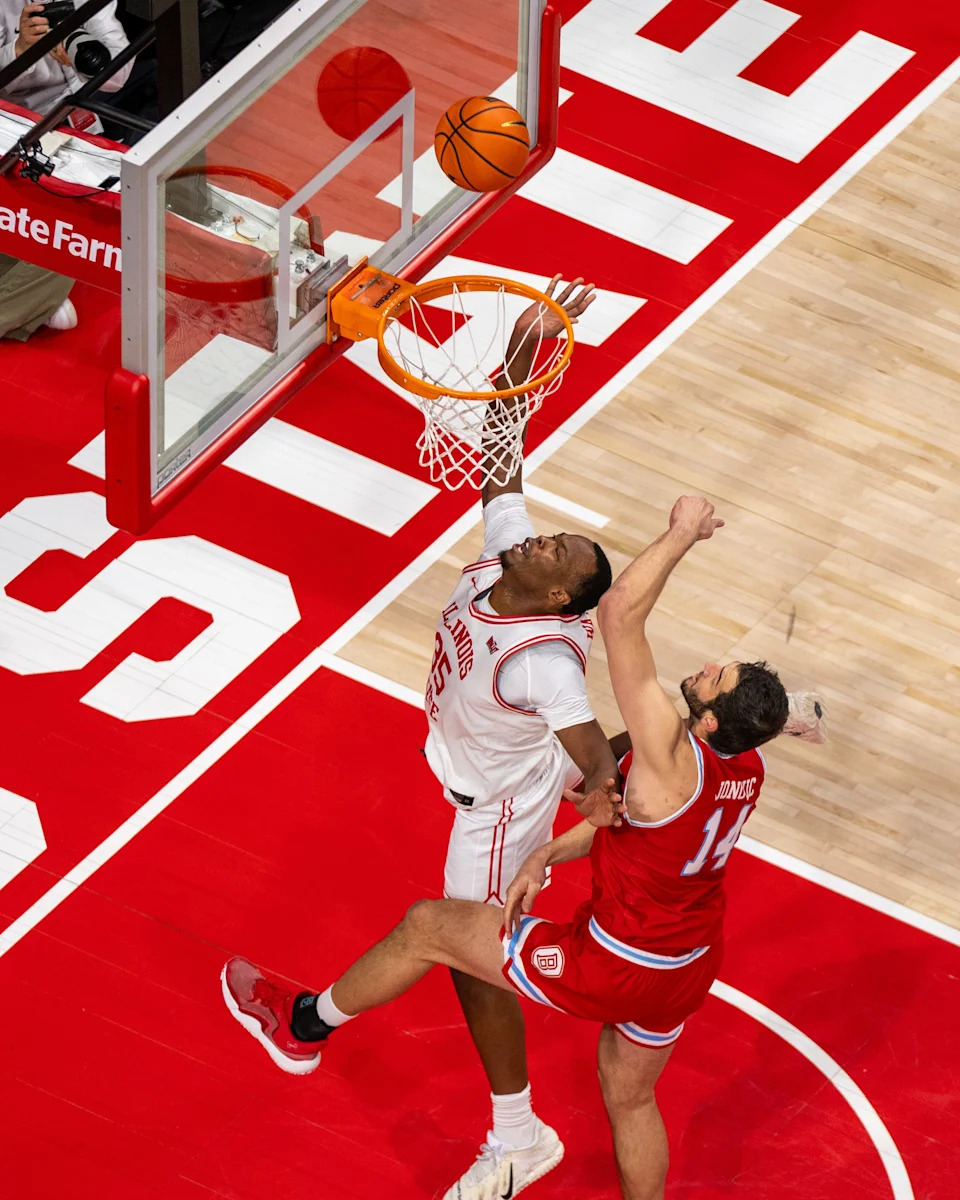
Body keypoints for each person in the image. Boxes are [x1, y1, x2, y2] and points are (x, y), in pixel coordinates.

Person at [221, 495, 810, 1200]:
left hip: (617, 963)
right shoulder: (747, 765)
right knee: (629, 1101)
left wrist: (682, 531)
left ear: (707, 720)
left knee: (428, 927)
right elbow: (643, 815)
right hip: (687, 963)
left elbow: (621, 613)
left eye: (717, 677)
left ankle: (304, 1027)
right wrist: (552, 851)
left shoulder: (665, 758)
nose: (709, 664)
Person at [0, 0, 133, 132]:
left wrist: (82, 53)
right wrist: (18, 50)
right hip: (27, 114)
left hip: (86, 97)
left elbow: (118, 76)